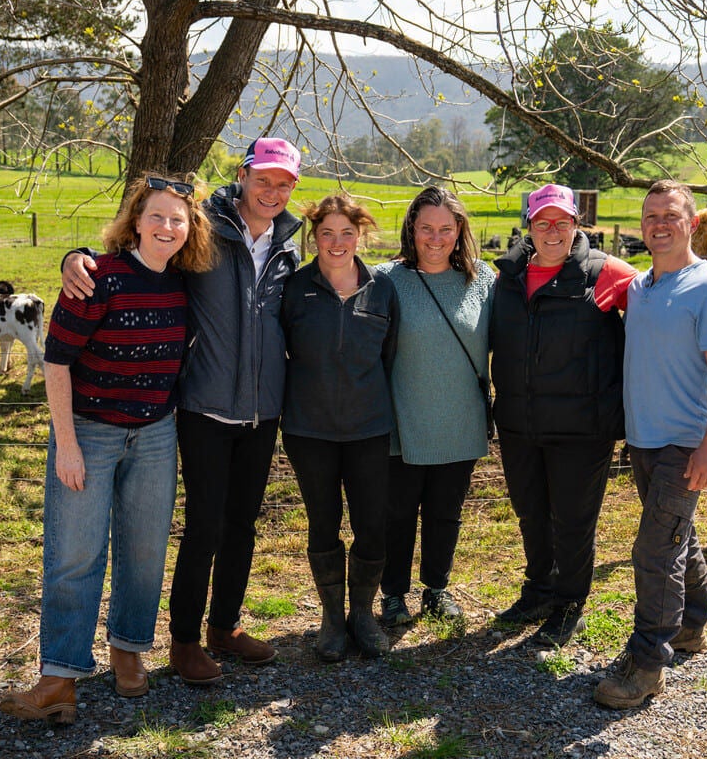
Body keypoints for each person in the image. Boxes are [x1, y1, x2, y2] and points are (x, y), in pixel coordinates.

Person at [60, 137, 303, 685]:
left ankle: (225, 627)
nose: (272, 192)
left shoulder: (289, 247)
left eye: (283, 183)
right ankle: (185, 640)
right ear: (243, 175)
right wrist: (77, 256)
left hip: (263, 411)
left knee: (242, 525)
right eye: (263, 179)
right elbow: (147, 251)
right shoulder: (205, 230)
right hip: (203, 407)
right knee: (204, 527)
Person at [1, 172, 216, 723]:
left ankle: (128, 651)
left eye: (177, 219)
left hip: (156, 432)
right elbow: (56, 363)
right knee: (75, 553)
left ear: (190, 228)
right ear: (135, 222)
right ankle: (59, 678)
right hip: (89, 431)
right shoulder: (98, 279)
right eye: (156, 216)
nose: (166, 227)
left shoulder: (184, 284)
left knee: (145, 550)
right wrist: (66, 446)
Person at [594, 179, 707, 709]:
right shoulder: (639, 286)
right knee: (678, 535)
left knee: (654, 551)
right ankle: (691, 626)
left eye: (671, 215)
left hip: (685, 442)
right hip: (644, 440)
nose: (660, 224)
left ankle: (647, 665)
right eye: (651, 215)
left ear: (692, 224)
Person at [489, 183, 637, 647]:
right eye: (542, 222)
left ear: (576, 224)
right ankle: (539, 591)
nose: (552, 231)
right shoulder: (507, 277)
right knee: (531, 514)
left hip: (582, 428)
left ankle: (570, 605)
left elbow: (664, 297)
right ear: (529, 226)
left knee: (573, 522)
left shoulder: (606, 273)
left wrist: (706, 273)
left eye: (562, 222)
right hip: (519, 422)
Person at [280, 194, 399, 660]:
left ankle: (362, 615)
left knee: (372, 524)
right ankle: (332, 619)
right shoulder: (295, 287)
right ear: (314, 237)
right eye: (327, 233)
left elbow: (390, 356)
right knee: (322, 522)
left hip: (369, 428)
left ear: (360, 236)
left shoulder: (382, 288)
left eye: (347, 233)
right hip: (309, 430)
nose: (337, 242)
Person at [376, 186, 496, 626]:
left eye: (446, 228)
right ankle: (393, 594)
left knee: (446, 514)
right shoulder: (386, 279)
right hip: (402, 421)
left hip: (460, 420)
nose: (435, 238)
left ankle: (437, 588)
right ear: (412, 228)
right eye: (426, 228)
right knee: (397, 515)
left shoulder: (482, 280)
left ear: (459, 230)